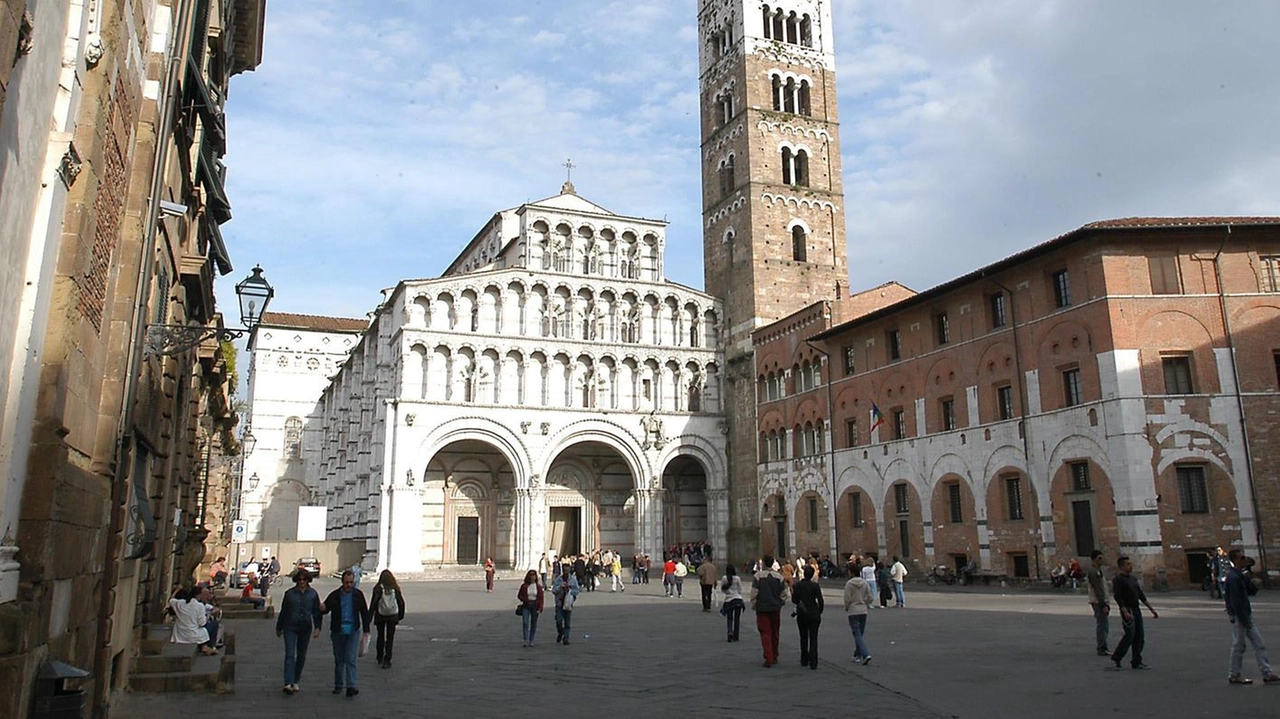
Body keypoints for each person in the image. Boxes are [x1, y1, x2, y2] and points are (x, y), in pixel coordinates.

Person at [1223, 549, 1279, 685]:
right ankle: (1234, 674)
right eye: (1242, 558)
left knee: (1259, 643)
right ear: (1235, 560)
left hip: (1246, 615)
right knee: (1239, 645)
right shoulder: (1233, 577)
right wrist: (1243, 619)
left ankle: (1267, 672)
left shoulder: (1239, 575)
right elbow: (1235, 601)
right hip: (1240, 616)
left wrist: (1248, 576)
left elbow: (1252, 590)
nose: (1245, 560)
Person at [321, 569, 372, 697]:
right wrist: (321, 608)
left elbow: (364, 613)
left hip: (353, 631)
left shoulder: (358, 595)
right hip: (338, 631)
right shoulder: (335, 595)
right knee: (339, 660)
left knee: (351, 659)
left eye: (351, 582)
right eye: (346, 582)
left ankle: (351, 686)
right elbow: (325, 609)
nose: (349, 585)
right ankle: (338, 684)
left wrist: (366, 630)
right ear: (342, 582)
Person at [276, 568, 322, 695]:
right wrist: (279, 627)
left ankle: (296, 680)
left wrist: (318, 627)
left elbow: (316, 612)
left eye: (304, 580)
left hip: (305, 627)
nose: (302, 582)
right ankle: (288, 682)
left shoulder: (313, 594)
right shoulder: (289, 593)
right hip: (290, 626)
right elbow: (284, 611)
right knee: (290, 654)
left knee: (301, 655)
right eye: (300, 580)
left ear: (308, 580)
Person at [1110, 556, 1158, 670]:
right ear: (1121, 566)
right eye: (1128, 564)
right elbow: (1118, 596)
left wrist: (1151, 609)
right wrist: (1124, 611)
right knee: (1129, 635)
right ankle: (1117, 658)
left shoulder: (1133, 579)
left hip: (1136, 609)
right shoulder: (1118, 579)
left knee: (1139, 636)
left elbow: (1140, 595)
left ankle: (1136, 661)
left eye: (1130, 564)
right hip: (1128, 609)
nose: (1130, 566)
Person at [751, 554, 788, 668]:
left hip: (762, 608)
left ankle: (769, 656)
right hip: (775, 608)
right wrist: (781, 602)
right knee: (775, 632)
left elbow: (754, 593)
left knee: (765, 633)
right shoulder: (779, 577)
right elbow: (784, 594)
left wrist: (754, 604)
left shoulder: (758, 576)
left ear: (763, 563)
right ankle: (775, 655)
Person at [369, 570, 406, 668]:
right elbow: (401, 602)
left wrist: (369, 618)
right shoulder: (395, 588)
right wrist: (400, 616)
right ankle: (387, 659)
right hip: (392, 616)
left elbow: (373, 604)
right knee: (390, 638)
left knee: (380, 636)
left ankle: (379, 656)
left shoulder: (378, 588)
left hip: (380, 616)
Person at [792, 565, 824, 670]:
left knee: (803, 637)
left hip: (802, 614)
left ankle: (804, 659)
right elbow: (820, 601)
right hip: (814, 613)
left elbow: (794, 600)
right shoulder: (815, 586)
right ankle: (814, 661)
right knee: (813, 638)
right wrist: (819, 611)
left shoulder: (797, 585)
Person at [169, 586, 216, 655]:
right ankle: (208, 646)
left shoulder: (180, 603)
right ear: (199, 595)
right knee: (214, 624)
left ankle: (204, 646)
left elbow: (170, 600)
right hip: (193, 635)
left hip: (180, 635)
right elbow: (202, 623)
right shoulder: (199, 606)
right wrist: (208, 616)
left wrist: (177, 590)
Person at [843, 560, 874, 665]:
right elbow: (870, 597)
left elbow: (847, 599)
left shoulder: (849, 584)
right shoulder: (865, 583)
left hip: (853, 610)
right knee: (859, 634)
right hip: (863, 610)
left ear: (851, 572)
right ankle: (857, 654)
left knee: (857, 634)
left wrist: (847, 607)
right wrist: (864, 603)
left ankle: (865, 654)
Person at [1086, 550, 1110, 656]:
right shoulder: (1093, 571)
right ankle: (1102, 647)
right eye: (1099, 558)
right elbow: (1097, 588)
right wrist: (1103, 604)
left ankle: (1103, 646)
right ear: (1094, 559)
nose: (1102, 560)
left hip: (1099, 600)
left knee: (1103, 624)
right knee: (1102, 624)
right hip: (1098, 601)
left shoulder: (1098, 570)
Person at [551, 565, 580, 645]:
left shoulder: (573, 579)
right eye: (565, 571)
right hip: (559, 603)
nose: (566, 572)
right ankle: (561, 632)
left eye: (567, 570)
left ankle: (566, 638)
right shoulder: (558, 579)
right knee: (558, 620)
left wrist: (570, 590)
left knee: (567, 622)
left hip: (568, 603)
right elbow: (553, 590)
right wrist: (560, 587)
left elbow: (577, 590)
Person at [517, 569, 545, 646]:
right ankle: (525, 639)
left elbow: (541, 598)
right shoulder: (524, 586)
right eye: (531, 575)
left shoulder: (538, 587)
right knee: (525, 622)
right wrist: (525, 599)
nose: (532, 577)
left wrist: (540, 608)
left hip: (535, 606)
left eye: (534, 575)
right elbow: (519, 595)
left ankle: (531, 640)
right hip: (526, 605)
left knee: (533, 623)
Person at [720, 564, 745, 642]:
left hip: (729, 600)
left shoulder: (724, 578)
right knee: (737, 619)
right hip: (738, 599)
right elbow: (740, 590)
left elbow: (723, 589)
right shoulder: (737, 578)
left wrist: (728, 593)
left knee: (730, 618)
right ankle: (736, 635)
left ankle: (730, 632)